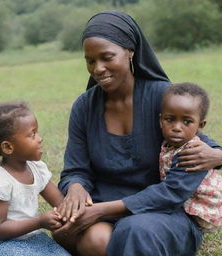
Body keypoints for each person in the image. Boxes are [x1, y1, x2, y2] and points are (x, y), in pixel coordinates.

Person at [54, 10, 222, 256]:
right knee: (95, 241)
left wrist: (218, 155)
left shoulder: (163, 97)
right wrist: (76, 186)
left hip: (161, 213)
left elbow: (199, 146)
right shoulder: (84, 107)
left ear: (130, 51)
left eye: (107, 57)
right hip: (103, 206)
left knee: (135, 231)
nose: (98, 68)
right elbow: (75, 169)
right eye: (90, 61)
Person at [0, 102, 71, 256]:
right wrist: (40, 221)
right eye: (32, 134)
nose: (40, 139)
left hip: (30, 238)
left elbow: (60, 202)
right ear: (8, 147)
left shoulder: (37, 168)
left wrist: (70, 211)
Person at [159, 82, 222, 232]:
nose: (176, 127)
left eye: (187, 122)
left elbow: (174, 191)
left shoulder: (193, 151)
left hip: (203, 210)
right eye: (170, 119)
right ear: (160, 119)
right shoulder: (168, 143)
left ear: (200, 125)